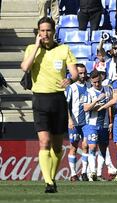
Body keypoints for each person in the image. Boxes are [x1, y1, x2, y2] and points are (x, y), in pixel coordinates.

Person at [20, 17, 78, 193]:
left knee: (57, 147)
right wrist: (37, 46)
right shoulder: (32, 48)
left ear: (54, 31)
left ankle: (51, 178)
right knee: (44, 142)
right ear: (38, 32)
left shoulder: (63, 49)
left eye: (48, 30)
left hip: (58, 100)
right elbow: (24, 67)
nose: (45, 34)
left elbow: (74, 73)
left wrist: (69, 79)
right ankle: (48, 182)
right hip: (40, 100)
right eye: (42, 30)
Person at [83, 70, 110, 181]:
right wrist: (96, 101)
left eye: (98, 81)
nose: (97, 84)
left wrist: (111, 122)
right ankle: (92, 172)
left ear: (101, 78)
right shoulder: (88, 92)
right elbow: (86, 108)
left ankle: (99, 174)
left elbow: (111, 107)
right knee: (93, 147)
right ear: (91, 81)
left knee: (103, 148)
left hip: (104, 124)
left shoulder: (108, 90)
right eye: (94, 82)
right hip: (92, 124)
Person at [65, 64, 90, 182]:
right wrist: (69, 119)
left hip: (87, 122)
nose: (83, 75)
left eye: (84, 73)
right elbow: (66, 105)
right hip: (74, 122)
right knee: (73, 147)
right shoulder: (71, 87)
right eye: (80, 73)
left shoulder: (89, 86)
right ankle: (73, 173)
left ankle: (84, 172)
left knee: (86, 145)